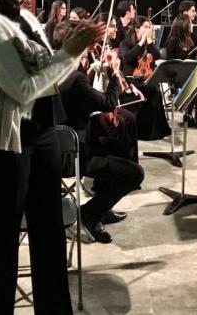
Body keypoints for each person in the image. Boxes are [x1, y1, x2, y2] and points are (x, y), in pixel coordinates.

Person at [0, 0, 102, 313]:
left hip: (42, 132)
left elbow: (49, 69)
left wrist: (77, 50)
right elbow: (23, 86)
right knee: (5, 235)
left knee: (49, 229)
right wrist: (70, 53)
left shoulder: (25, 17)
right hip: (6, 139)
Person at [52, 21, 144, 244]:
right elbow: (108, 102)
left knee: (120, 140)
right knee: (135, 173)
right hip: (74, 154)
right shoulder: (75, 79)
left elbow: (82, 100)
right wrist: (113, 75)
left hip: (55, 146)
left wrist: (92, 70)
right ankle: (91, 214)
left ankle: (104, 208)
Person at [119, 16, 171, 140]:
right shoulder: (125, 43)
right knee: (151, 90)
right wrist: (141, 43)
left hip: (146, 78)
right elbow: (127, 57)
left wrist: (150, 43)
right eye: (146, 27)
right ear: (137, 28)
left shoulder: (149, 45)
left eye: (150, 27)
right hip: (131, 81)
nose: (149, 30)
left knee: (155, 89)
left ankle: (156, 130)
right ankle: (144, 132)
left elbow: (157, 55)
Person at [165, 14, 197, 127]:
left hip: (192, 72)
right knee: (193, 87)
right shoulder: (172, 42)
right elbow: (169, 64)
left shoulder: (193, 37)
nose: (192, 25)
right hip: (178, 75)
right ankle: (188, 114)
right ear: (183, 26)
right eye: (190, 23)